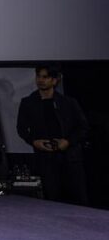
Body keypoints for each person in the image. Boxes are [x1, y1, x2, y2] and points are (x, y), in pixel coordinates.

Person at [16, 64, 90, 205]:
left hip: (70, 158)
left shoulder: (68, 102)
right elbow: (21, 129)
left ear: (54, 80)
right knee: (52, 199)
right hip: (45, 159)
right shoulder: (28, 103)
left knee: (78, 199)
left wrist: (67, 141)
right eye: (38, 76)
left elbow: (83, 127)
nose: (41, 80)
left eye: (45, 77)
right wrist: (34, 141)